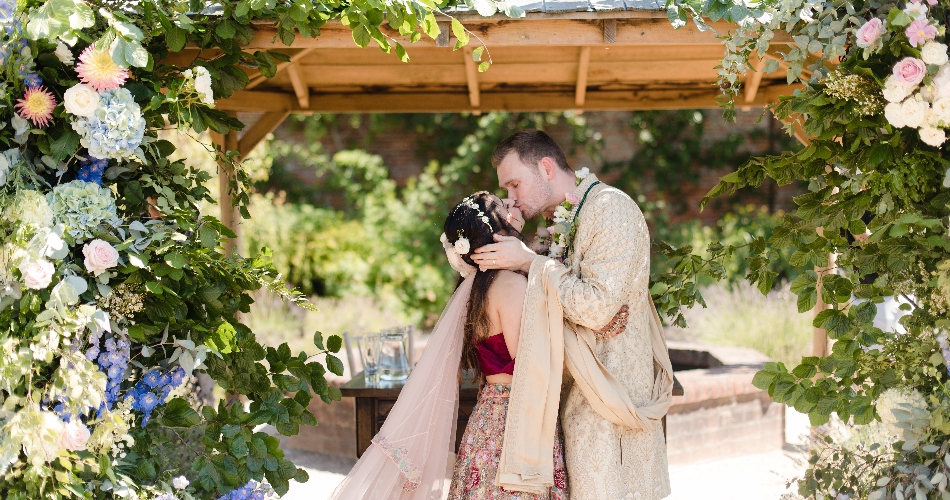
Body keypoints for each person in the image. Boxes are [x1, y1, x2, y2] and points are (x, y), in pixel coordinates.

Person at [470, 130, 674, 500]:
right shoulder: (558, 226)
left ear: (546, 168)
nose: (510, 198)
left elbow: (597, 309)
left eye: (515, 184)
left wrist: (532, 264)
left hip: (608, 415)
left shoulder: (610, 208)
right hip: (567, 411)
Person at [329, 192, 568, 500]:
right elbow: (529, 361)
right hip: (516, 423)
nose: (516, 205)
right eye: (507, 206)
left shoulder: (482, 286)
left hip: (489, 421)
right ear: (497, 229)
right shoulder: (510, 285)